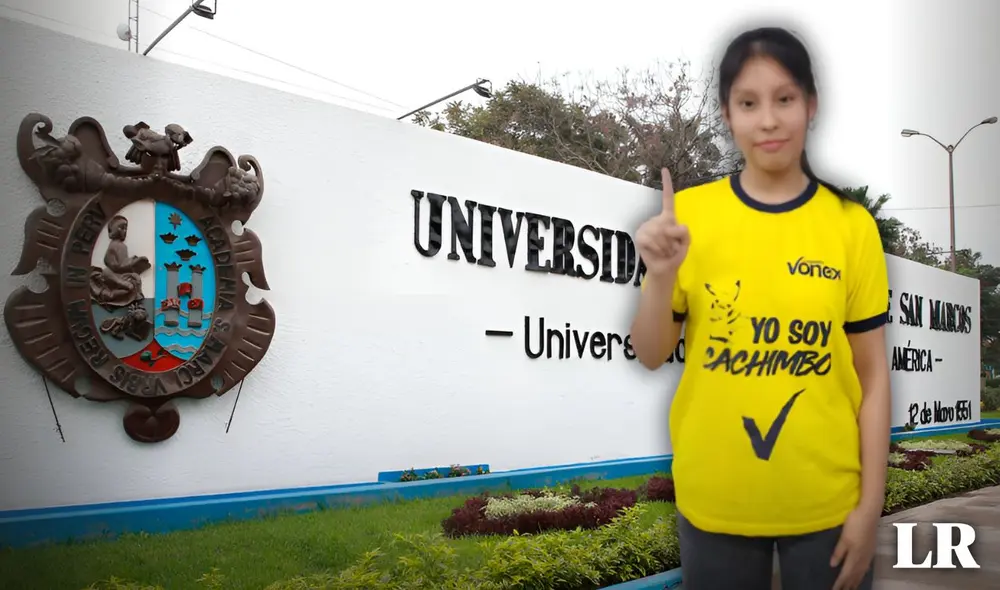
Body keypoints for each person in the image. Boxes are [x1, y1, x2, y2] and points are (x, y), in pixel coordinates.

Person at [629, 26, 890, 590]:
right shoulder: (688, 219)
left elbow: (872, 379)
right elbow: (650, 354)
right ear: (727, 113)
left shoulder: (850, 227)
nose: (767, 120)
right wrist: (661, 276)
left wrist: (871, 508)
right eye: (748, 103)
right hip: (715, 502)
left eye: (785, 99)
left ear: (811, 106)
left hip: (829, 505)